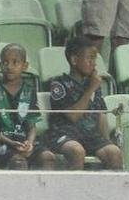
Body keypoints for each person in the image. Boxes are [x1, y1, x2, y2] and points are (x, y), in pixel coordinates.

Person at [44, 36, 124, 170]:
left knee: (114, 152)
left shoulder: (93, 82)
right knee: (77, 151)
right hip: (64, 134)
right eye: (90, 59)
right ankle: (74, 190)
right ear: (74, 60)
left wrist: (106, 141)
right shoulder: (59, 84)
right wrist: (91, 88)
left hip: (90, 136)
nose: (94, 64)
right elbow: (73, 116)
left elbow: (101, 115)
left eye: (95, 59)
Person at [0, 44, 56, 170]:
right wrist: (12, 143)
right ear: (0, 65)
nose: (9, 66)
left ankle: (45, 190)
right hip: (1, 142)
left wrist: (29, 143)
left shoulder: (29, 91)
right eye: (5, 62)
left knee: (48, 157)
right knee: (19, 162)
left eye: (15, 62)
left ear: (24, 66)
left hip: (23, 140)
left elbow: (31, 126)